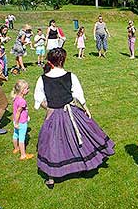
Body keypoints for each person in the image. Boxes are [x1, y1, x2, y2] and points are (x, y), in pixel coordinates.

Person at [34, 48, 115, 188]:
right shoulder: (70, 76)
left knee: (53, 143)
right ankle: (83, 166)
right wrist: (86, 109)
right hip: (70, 112)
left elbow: (38, 99)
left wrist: (49, 108)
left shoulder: (42, 78)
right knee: (80, 139)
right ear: (61, 60)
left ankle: (51, 177)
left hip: (53, 114)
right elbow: (78, 94)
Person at [11, 80, 34, 160]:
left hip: (16, 121)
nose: (28, 90)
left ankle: (16, 148)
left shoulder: (16, 98)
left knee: (15, 134)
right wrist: (17, 123)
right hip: (21, 122)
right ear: (22, 91)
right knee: (21, 138)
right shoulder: (22, 101)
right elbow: (18, 112)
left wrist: (15, 122)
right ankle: (23, 155)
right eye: (27, 89)